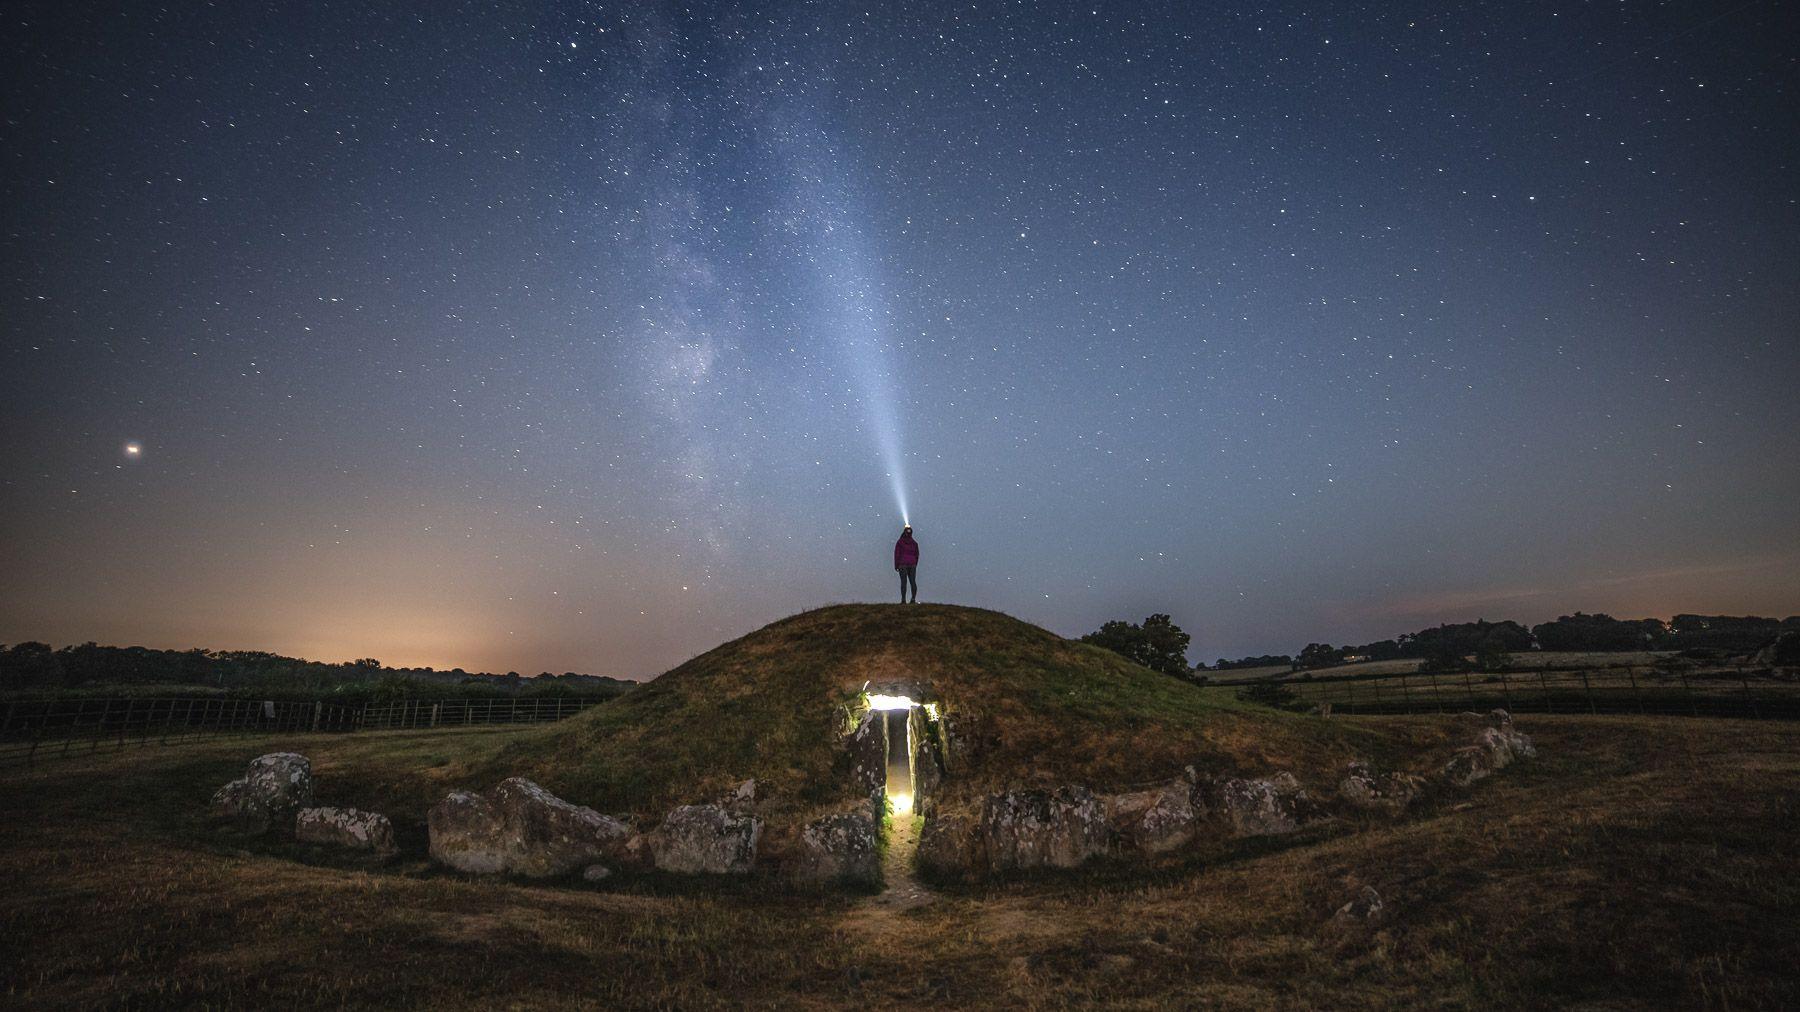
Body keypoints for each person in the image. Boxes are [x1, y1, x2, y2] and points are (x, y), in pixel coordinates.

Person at [893, 525, 919, 603]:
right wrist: (915, 563)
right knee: (913, 581)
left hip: (902, 564)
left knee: (903, 582)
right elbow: (917, 554)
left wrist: (896, 565)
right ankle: (913, 599)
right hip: (912, 564)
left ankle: (903, 600)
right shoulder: (914, 543)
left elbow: (897, 554)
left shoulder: (900, 542)